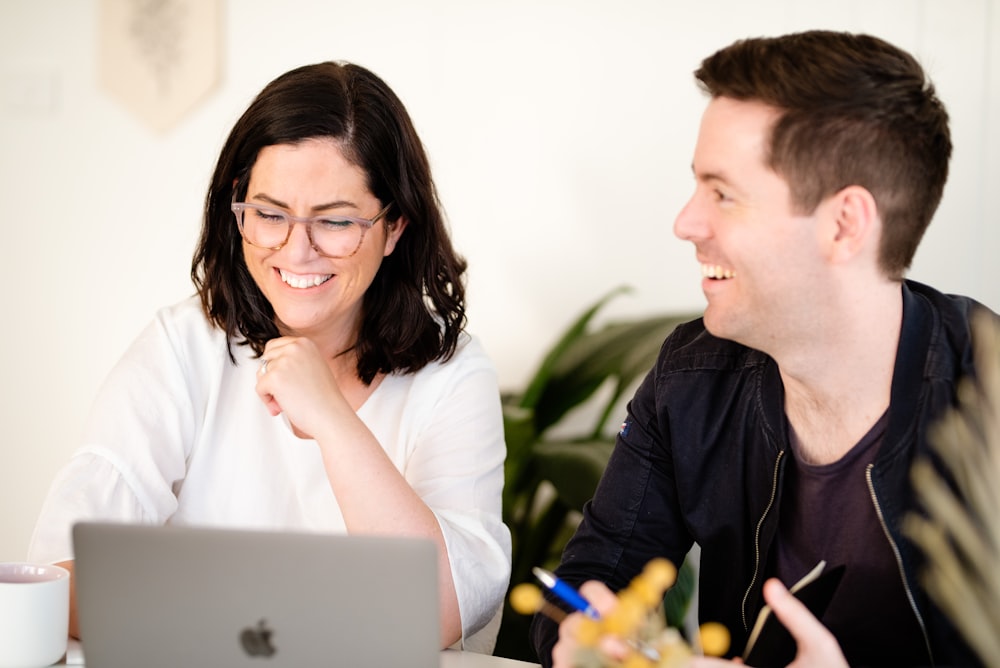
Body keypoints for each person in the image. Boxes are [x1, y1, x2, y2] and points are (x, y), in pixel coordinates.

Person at [530, 30, 991, 667]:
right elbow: (589, 583)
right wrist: (593, 640)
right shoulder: (691, 378)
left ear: (843, 224)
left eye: (723, 193)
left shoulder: (989, 399)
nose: (685, 222)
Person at [29, 61, 511, 653]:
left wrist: (333, 420)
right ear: (238, 210)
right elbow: (55, 579)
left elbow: (442, 609)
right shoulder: (182, 347)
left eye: (335, 221)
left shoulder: (453, 372)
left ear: (395, 228)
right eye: (270, 214)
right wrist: (291, 617)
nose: (296, 249)